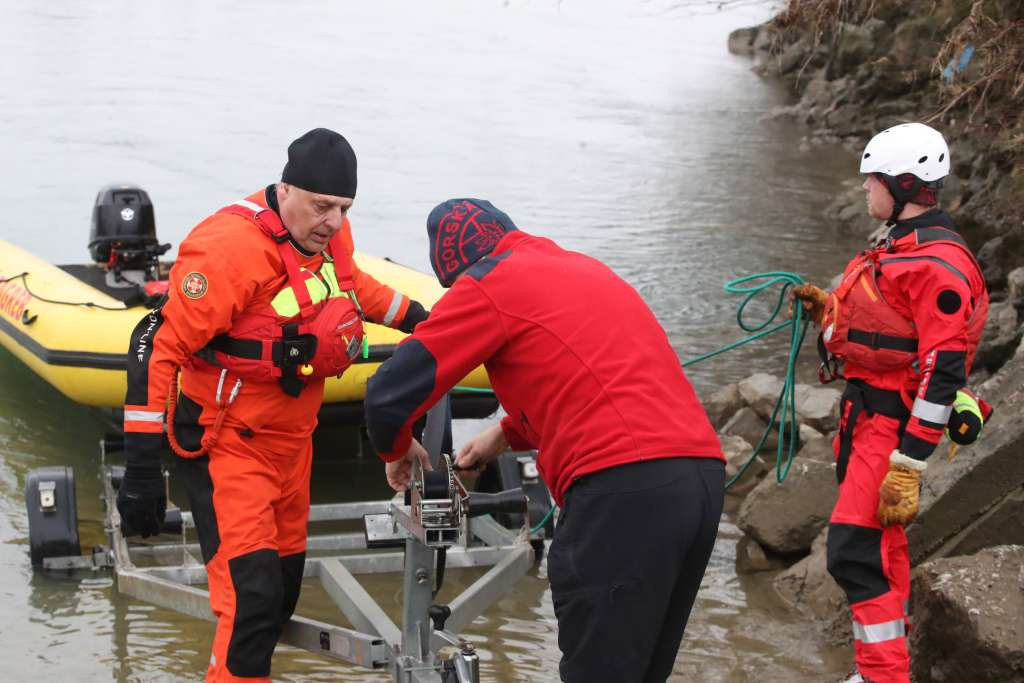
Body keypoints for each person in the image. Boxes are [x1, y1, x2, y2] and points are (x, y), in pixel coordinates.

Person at [364, 198, 725, 683]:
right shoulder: (580, 268)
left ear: (457, 272)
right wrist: (504, 435)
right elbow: (590, 381)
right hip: (699, 479)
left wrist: (394, 448)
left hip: (623, 491)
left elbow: (387, 394)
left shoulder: (487, 284)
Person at [117, 128, 429, 682]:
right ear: (286, 190)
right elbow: (154, 346)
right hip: (226, 444)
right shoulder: (228, 249)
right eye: (321, 206)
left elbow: (355, 288)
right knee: (250, 603)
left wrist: (423, 321)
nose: (332, 221)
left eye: (343, 208)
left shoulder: (330, 236)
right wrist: (141, 470)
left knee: (280, 596)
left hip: (292, 444)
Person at [792, 122, 989, 683]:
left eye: (871, 179)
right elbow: (886, 327)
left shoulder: (938, 266)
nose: (863, 189)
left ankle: (883, 675)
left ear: (902, 185)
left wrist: (909, 463)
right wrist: (828, 312)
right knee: (881, 547)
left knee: (854, 551)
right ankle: (879, 670)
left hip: (889, 427)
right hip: (864, 417)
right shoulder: (900, 246)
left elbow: (942, 371)